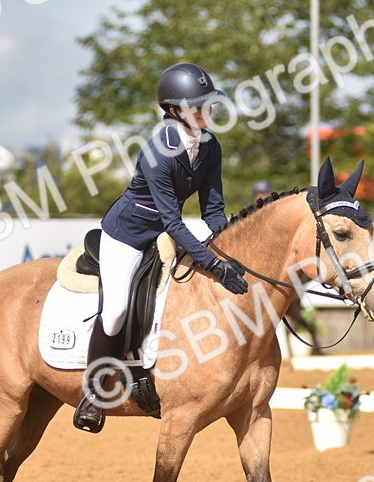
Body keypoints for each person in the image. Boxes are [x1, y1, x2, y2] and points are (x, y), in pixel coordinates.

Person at [74, 62, 249, 433]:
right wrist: (214, 266)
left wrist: (229, 251)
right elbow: (173, 222)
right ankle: (91, 395)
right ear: (174, 111)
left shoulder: (210, 146)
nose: (208, 111)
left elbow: (214, 210)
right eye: (198, 105)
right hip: (128, 235)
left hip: (162, 236)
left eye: (209, 103)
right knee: (118, 309)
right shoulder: (159, 152)